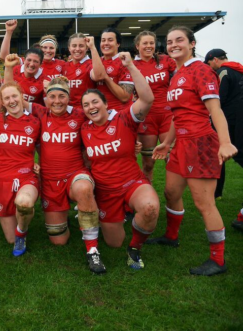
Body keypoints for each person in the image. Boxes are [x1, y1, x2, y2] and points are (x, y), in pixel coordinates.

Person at [150, 27, 238, 276]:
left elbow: (215, 110)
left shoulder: (201, 70)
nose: (173, 44)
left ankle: (217, 260)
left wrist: (224, 142)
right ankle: (171, 236)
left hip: (200, 143)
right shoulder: (178, 72)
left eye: (179, 40)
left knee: (204, 203)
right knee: (171, 191)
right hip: (181, 145)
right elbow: (179, 116)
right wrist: (167, 143)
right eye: (169, 41)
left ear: (192, 43)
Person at [81, 51, 160, 270]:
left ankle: (135, 248)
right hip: (106, 191)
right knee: (114, 242)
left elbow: (147, 99)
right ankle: (126, 220)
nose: (91, 107)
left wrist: (132, 67)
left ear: (106, 104)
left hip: (131, 183)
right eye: (86, 104)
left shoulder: (124, 117)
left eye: (95, 102)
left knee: (150, 208)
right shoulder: (83, 128)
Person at [26, 76, 105, 274]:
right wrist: (9, 68)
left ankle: (92, 250)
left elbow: (104, 121)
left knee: (84, 189)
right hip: (50, 181)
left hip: (74, 175)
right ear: (45, 98)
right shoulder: (40, 113)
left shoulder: (79, 114)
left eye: (62, 96)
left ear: (69, 98)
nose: (57, 101)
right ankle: (73, 219)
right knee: (58, 240)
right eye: (52, 96)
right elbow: (11, 96)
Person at [0, 78, 41, 255]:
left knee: (24, 204)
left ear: (22, 96)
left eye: (14, 96)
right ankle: (17, 234)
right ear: (2, 101)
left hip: (25, 176)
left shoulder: (35, 122)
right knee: (10, 239)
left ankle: (22, 232)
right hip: (2, 178)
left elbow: (43, 147)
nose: (11, 101)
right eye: (6, 98)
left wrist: (40, 164)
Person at [133, 31, 177, 183]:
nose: (148, 46)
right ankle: (148, 199)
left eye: (151, 43)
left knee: (171, 160)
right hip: (146, 117)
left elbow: (181, 73)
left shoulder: (165, 60)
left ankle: (172, 196)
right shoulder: (132, 65)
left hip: (166, 115)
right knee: (148, 163)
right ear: (137, 46)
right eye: (145, 43)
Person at [204, 49, 243, 205]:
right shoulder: (239, 69)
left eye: (209, 64)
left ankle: (216, 192)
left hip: (226, 121)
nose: (209, 68)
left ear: (214, 60)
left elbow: (218, 99)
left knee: (219, 154)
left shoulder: (223, 72)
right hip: (239, 118)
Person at [0, 20, 46, 105]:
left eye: (36, 61)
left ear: (41, 63)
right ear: (24, 59)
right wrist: (9, 32)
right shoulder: (15, 69)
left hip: (32, 117)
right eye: (29, 60)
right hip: (12, 114)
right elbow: (4, 57)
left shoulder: (44, 80)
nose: (31, 64)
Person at [90, 28, 134, 112]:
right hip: (100, 114)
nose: (106, 43)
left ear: (118, 43)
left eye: (110, 40)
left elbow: (124, 97)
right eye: (103, 40)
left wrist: (106, 78)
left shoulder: (124, 62)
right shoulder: (97, 62)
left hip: (120, 114)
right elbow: (96, 77)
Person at [63, 34, 98, 107]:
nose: (77, 49)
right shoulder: (65, 66)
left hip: (86, 110)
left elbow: (97, 76)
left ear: (86, 48)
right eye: (74, 46)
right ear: (69, 48)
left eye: (81, 46)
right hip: (67, 110)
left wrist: (93, 48)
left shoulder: (91, 64)